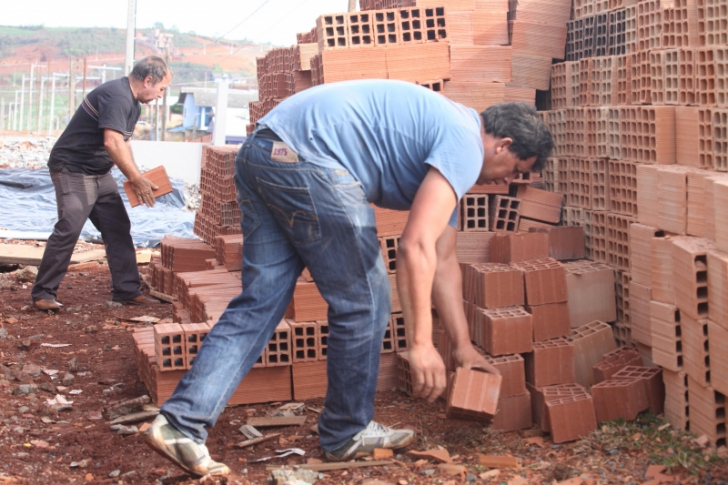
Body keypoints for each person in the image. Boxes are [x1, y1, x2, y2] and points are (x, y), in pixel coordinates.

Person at [143, 79, 553, 477]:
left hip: (266, 150)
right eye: (513, 170)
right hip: (309, 159)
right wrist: (422, 343)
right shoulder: (464, 143)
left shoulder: (450, 143)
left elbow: (443, 258)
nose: (503, 181)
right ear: (504, 145)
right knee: (366, 300)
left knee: (261, 301)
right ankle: (346, 432)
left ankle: (181, 424)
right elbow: (414, 247)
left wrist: (462, 347)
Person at [31, 56, 173, 311]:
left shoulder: (133, 103)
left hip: (98, 172)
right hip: (73, 169)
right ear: (148, 80)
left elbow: (124, 142)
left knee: (117, 227)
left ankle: (127, 291)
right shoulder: (117, 96)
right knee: (70, 227)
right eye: (161, 89)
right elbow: (112, 142)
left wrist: (138, 175)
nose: (161, 95)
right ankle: (43, 293)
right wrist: (135, 179)